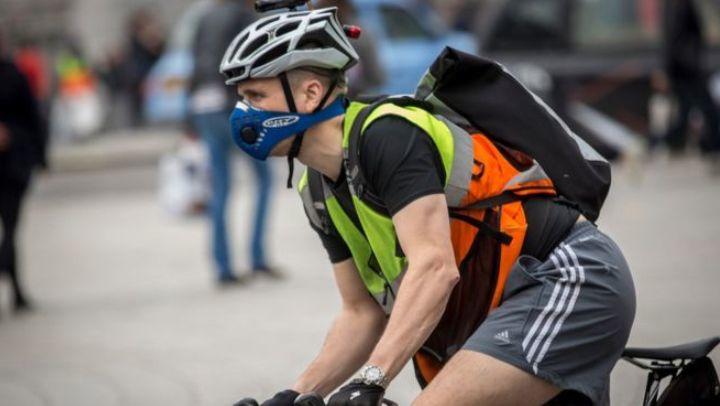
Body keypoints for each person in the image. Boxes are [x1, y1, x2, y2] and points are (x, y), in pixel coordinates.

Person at [221, 7, 635, 405]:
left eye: (256, 95)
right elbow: (362, 312)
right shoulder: (316, 187)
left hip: (566, 277)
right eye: (241, 98)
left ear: (310, 94)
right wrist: (295, 394)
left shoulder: (386, 134)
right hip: (501, 303)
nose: (243, 112)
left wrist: (372, 378)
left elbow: (435, 269)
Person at [189, 0, 279, 285]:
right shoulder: (244, 16)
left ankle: (223, 267)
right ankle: (257, 257)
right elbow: (251, 65)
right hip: (234, 107)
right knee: (264, 180)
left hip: (204, 107)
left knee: (221, 188)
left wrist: (186, 119)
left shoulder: (204, 17)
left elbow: (194, 65)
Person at [0, 31, 48, 314]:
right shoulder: (14, 74)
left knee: (11, 229)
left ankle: (16, 289)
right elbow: (33, 118)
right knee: (11, 230)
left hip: (12, 166)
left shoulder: (15, 74)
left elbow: (32, 117)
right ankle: (15, 288)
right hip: (15, 164)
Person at [662, 0, 720, 160]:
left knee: (695, 107)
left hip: (686, 65)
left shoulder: (680, 6)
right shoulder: (673, 6)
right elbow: (671, 39)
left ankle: (708, 144)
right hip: (682, 66)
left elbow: (690, 34)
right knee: (690, 107)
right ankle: (675, 142)